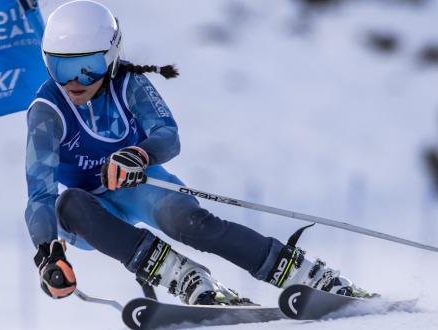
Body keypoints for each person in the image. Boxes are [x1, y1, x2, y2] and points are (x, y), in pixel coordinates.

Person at [26, 0, 370, 305]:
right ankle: (185, 277)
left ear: (112, 57)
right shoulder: (47, 110)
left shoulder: (128, 83)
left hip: (134, 183)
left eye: (87, 67)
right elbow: (39, 190)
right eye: (60, 68)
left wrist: (139, 155)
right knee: (68, 201)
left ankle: (305, 274)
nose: (74, 82)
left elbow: (168, 136)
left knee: (189, 222)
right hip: (88, 213)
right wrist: (46, 252)